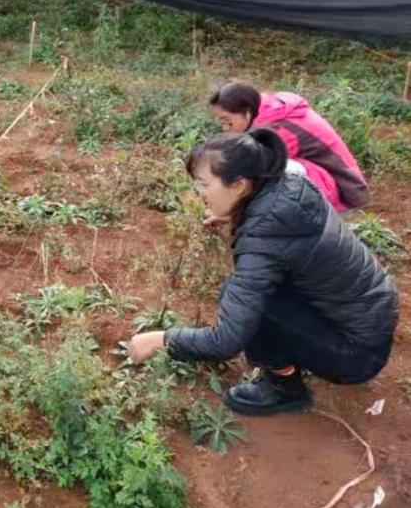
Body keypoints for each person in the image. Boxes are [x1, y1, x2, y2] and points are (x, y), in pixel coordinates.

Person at [127, 129, 398, 416]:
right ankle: (302, 354)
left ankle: (284, 388)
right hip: (368, 321)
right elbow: (286, 238)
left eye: (204, 184)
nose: (200, 194)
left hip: (355, 355)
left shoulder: (264, 237)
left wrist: (162, 340)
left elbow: (226, 340)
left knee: (249, 302)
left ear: (240, 185)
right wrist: (236, 213)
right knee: (254, 295)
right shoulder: (291, 185)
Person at [209, 82, 370, 213]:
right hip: (327, 180)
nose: (225, 128)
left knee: (272, 170)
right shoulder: (269, 107)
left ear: (247, 112)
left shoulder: (277, 129)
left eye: (227, 120)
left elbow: (249, 172)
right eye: (221, 122)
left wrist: (228, 210)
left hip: (342, 191)